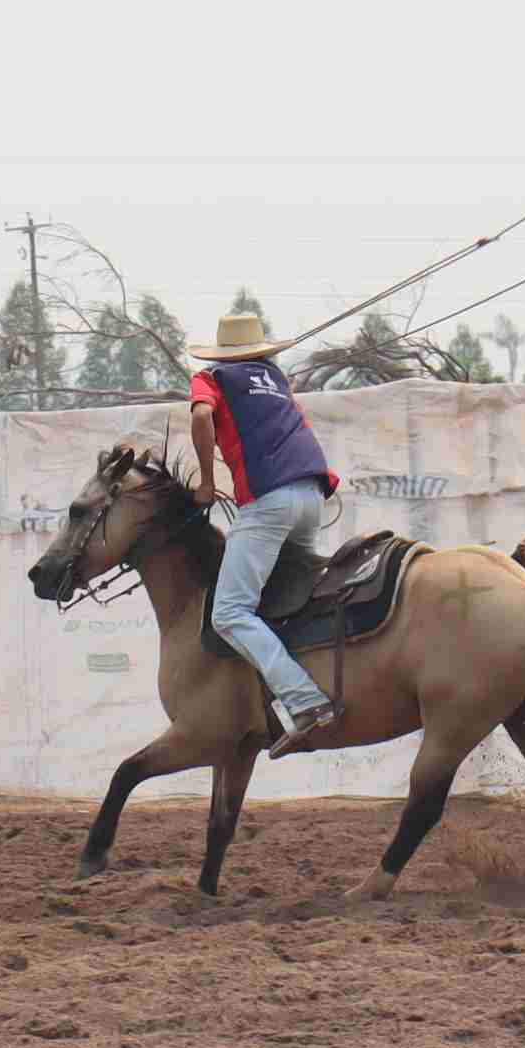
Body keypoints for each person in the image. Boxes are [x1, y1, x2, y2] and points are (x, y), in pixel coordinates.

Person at [186, 311, 343, 753]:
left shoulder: (210, 378)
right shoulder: (277, 380)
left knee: (229, 612)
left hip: (269, 502)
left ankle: (304, 700)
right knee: (294, 596)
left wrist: (206, 482)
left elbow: (201, 417)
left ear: (222, 351)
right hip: (313, 497)